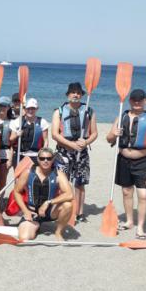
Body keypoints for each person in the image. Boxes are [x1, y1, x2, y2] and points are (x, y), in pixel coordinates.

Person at [106, 89, 146, 239]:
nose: (137, 103)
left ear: (145, 101)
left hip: (143, 162)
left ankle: (141, 227)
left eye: (140, 100)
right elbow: (109, 139)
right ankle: (130, 221)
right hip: (123, 160)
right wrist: (114, 134)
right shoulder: (121, 116)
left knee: (143, 195)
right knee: (126, 192)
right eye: (134, 100)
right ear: (130, 101)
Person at [51, 82, 98, 223]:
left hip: (81, 152)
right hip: (63, 152)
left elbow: (94, 133)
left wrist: (86, 142)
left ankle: (79, 212)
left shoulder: (89, 111)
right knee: (62, 183)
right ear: (68, 94)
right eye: (73, 92)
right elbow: (54, 134)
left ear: (82, 95)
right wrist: (70, 144)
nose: (76, 95)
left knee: (80, 183)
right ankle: (63, 210)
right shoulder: (58, 111)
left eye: (78, 92)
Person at [13, 148, 73, 241]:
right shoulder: (28, 172)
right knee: (24, 238)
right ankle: (35, 226)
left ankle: (58, 232)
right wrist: (25, 211)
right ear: (38, 159)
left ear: (53, 160)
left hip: (50, 211)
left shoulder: (59, 175)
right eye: (42, 158)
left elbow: (70, 195)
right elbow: (16, 191)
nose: (45, 161)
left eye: (49, 158)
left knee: (68, 205)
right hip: (32, 212)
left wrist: (48, 202)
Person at [9, 98, 49, 164]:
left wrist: (43, 155)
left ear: (37, 109)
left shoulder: (42, 122)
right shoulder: (17, 122)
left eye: (33, 108)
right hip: (20, 155)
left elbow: (46, 141)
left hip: (36, 155)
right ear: (24, 109)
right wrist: (17, 135)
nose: (30, 111)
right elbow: (11, 140)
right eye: (28, 108)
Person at [0, 96, 14, 193]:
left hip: (6, 152)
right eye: (0, 105)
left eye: (5, 106)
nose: (2, 108)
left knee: (2, 179)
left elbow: (13, 144)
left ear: (9, 107)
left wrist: (10, 158)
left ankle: (0, 199)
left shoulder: (12, 122)